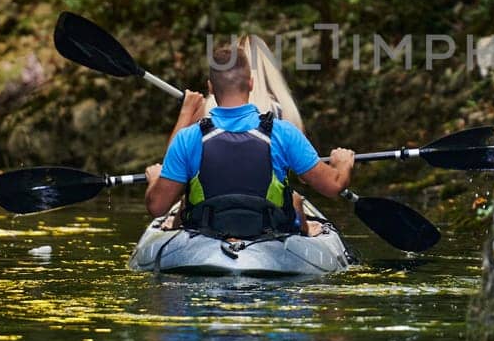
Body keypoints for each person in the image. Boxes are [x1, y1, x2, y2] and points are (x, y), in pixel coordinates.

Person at [144, 43, 355, 238]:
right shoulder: (283, 133)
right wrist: (342, 165)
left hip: (206, 232)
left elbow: (157, 207)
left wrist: (155, 180)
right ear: (251, 83)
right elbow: (333, 186)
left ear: (210, 87)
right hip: (268, 232)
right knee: (295, 200)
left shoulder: (187, 138)